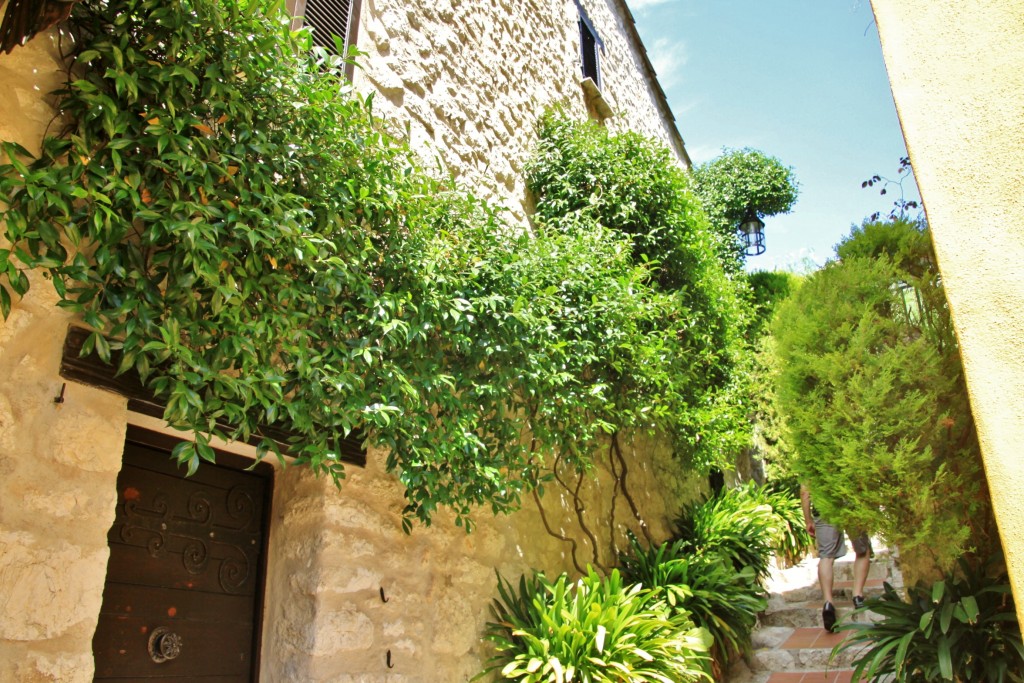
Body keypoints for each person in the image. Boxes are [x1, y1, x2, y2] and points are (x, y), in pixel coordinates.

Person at [800, 485, 871, 632]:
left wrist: (808, 519)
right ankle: (857, 595)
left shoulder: (809, 460)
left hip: (824, 506)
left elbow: (805, 491)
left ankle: (828, 602)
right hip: (852, 502)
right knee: (862, 551)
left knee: (826, 556)